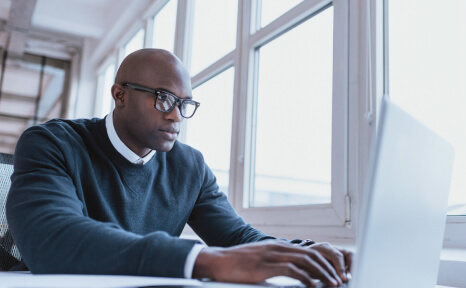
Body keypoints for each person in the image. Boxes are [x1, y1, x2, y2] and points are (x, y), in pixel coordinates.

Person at [6, 49, 352, 287]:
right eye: (163, 98)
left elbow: (237, 239)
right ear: (119, 95)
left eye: (184, 104)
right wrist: (204, 260)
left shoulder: (190, 166)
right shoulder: (52, 143)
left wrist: (304, 251)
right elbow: (51, 240)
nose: (175, 115)